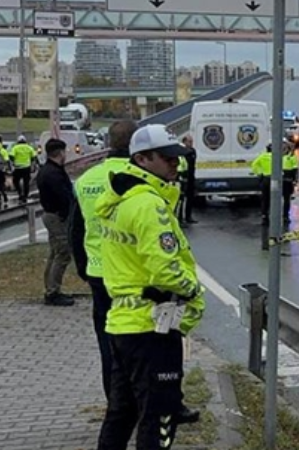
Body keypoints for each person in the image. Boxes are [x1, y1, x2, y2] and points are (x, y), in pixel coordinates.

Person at [95, 124, 206, 450]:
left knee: (121, 413)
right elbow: (166, 270)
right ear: (142, 160)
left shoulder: (119, 198)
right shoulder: (148, 205)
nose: (176, 164)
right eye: (167, 158)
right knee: (160, 417)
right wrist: (195, 292)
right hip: (152, 325)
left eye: (178, 158)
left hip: (123, 323)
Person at [69, 119, 137, 399]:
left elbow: (76, 229)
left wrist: (83, 268)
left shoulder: (86, 180)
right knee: (139, 340)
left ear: (109, 143)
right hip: (134, 274)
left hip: (98, 273)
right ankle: (140, 397)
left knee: (107, 341)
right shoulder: (142, 176)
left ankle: (115, 400)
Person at [35, 138, 76, 307]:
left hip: (51, 214)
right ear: (60, 153)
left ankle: (50, 288)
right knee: (63, 253)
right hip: (57, 217)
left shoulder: (47, 170)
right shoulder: (54, 174)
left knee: (54, 253)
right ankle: (53, 292)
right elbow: (64, 196)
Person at [175, 135, 197, 226]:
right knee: (181, 200)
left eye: (192, 141)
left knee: (190, 198)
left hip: (190, 177)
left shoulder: (192, 151)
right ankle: (180, 219)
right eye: (189, 141)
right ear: (184, 142)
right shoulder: (181, 152)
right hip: (182, 178)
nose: (191, 143)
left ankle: (188, 217)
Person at [11, 135, 37, 202]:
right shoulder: (29, 147)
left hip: (18, 167)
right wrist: (32, 164)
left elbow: (11, 156)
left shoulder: (15, 148)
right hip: (26, 167)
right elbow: (33, 157)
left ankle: (20, 193)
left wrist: (13, 162)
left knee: (16, 181)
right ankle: (25, 195)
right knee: (26, 182)